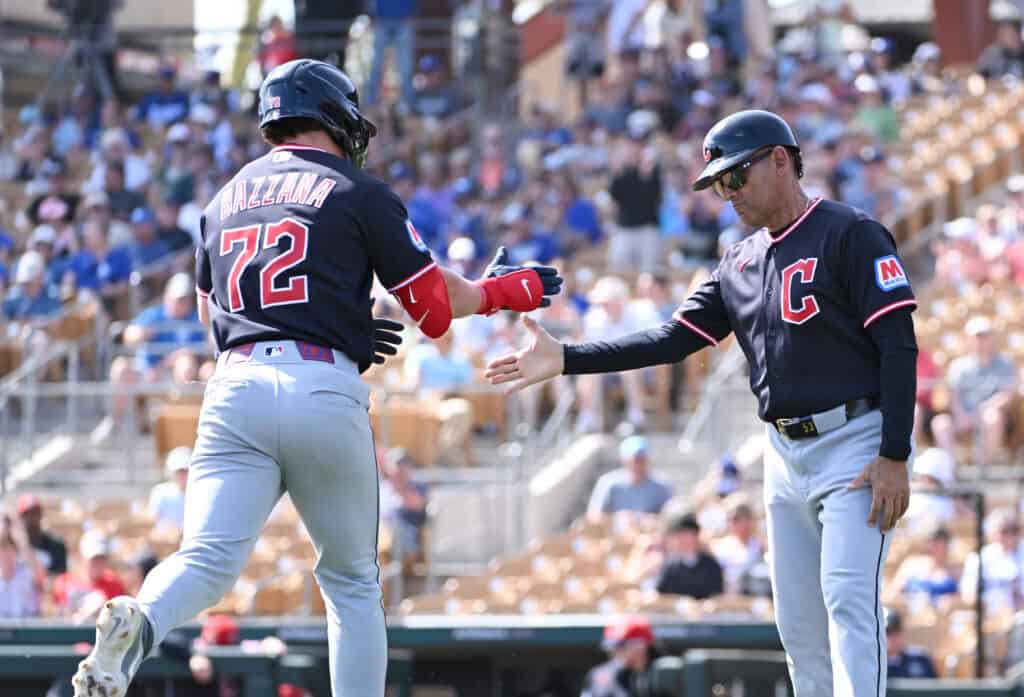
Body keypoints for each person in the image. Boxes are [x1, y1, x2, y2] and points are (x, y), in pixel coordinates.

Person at [72, 58, 562, 697]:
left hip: (234, 386)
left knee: (207, 559)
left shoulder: (223, 199)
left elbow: (210, 317)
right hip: (319, 385)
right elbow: (434, 315)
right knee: (352, 580)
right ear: (334, 115)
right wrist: (500, 291)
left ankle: (140, 619)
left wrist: (329, 319)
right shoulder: (357, 190)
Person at [487, 109, 918, 697]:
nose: (727, 193)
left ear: (781, 160)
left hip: (855, 442)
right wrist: (567, 359)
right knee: (797, 625)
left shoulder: (850, 231)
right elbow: (671, 340)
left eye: (735, 177)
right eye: (718, 184)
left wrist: (894, 451)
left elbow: (898, 344)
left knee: (847, 599)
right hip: (784, 454)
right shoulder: (739, 260)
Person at [930, 316, 1017, 465]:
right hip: (964, 416)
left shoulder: (1005, 364)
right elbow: (953, 396)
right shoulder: (958, 365)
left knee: (992, 418)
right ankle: (951, 471)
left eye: (984, 337)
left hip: (990, 414)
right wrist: (961, 415)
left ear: (992, 339)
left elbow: (1008, 394)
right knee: (941, 423)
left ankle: (983, 468)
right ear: (969, 340)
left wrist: (986, 408)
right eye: (977, 337)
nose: (980, 341)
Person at [588, 435, 673, 516]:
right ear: (624, 461)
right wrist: (618, 519)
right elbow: (594, 515)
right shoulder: (609, 483)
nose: (638, 465)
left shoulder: (662, 485)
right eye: (635, 460)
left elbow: (671, 517)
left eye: (642, 460)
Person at [53, 530, 126, 623]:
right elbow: (58, 616)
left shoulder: (114, 584)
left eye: (101, 558)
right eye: (94, 558)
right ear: (82, 556)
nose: (98, 562)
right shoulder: (64, 582)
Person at [581, 616, 657, 697]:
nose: (614, 653)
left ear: (641, 646)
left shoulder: (660, 672)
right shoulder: (602, 675)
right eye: (612, 648)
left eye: (621, 647)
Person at [655, 512, 724, 599]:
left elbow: (718, 594)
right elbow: (660, 594)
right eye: (682, 535)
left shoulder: (710, 565)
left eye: (689, 535)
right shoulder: (670, 565)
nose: (685, 540)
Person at [0, 513, 45, 618]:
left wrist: (21, 538)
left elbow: (40, 577)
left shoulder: (27, 573)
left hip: (27, 632)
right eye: (2, 546)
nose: (6, 552)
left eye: (11, 546)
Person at [16, 494, 68, 576]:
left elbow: (61, 577)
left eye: (35, 512)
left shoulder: (56, 545)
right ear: (21, 517)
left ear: (41, 514)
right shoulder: (14, 548)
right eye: (27, 513)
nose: (32, 517)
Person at [884, 609, 938, 679]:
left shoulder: (921, 659)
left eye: (896, 632)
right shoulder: (874, 664)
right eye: (888, 633)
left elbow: (934, 687)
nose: (893, 638)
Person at [148, 447, 191, 533]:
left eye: (185, 471)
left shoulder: (201, 495)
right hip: (164, 542)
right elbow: (152, 520)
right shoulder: (160, 491)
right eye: (179, 472)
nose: (182, 475)